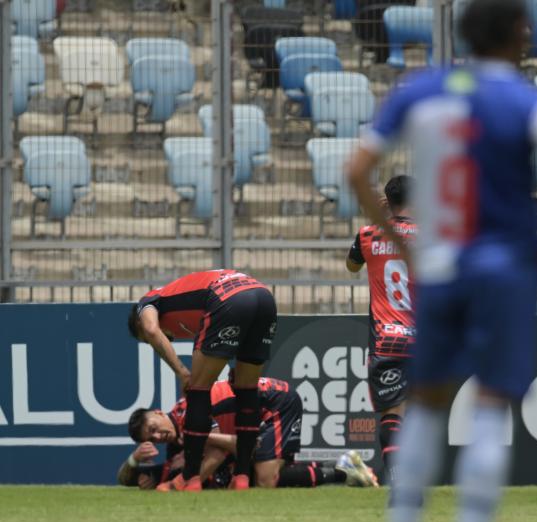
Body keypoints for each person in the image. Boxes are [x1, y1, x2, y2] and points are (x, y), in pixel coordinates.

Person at [346, 0, 537, 522]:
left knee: (423, 402)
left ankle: (403, 521)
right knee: (489, 403)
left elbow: (356, 169)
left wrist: (399, 238)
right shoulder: (528, 99)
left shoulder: (419, 90)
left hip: (440, 266)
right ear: (516, 34)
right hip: (505, 267)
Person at [128, 269, 277, 491]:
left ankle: (189, 478)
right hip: (264, 297)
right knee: (247, 390)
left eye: (164, 337)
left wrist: (181, 372)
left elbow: (150, 329)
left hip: (226, 297)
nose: (166, 338)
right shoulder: (186, 305)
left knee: (197, 391)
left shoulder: (148, 301)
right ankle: (242, 477)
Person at [125, 377, 378, 489]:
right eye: (152, 438)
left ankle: (342, 471)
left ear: (158, 413)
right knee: (262, 474)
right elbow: (125, 478)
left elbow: (220, 453)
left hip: (276, 403)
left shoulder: (187, 413)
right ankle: (343, 467)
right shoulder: (179, 432)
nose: (157, 436)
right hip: (258, 414)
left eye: (153, 429)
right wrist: (134, 461)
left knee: (265, 479)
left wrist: (182, 484)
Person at [346, 175, 416, 483]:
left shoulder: (367, 234)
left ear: (387, 201)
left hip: (386, 340)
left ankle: (398, 480)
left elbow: (351, 266)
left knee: (392, 417)